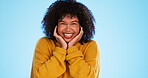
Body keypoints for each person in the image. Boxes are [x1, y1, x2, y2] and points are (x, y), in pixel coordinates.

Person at [30, 0, 100, 78]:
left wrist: (71, 49)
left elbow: (89, 76)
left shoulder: (90, 45)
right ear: (55, 25)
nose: (68, 29)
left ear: (81, 26)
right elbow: (40, 76)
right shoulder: (44, 43)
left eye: (73, 24)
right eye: (63, 23)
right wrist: (62, 49)